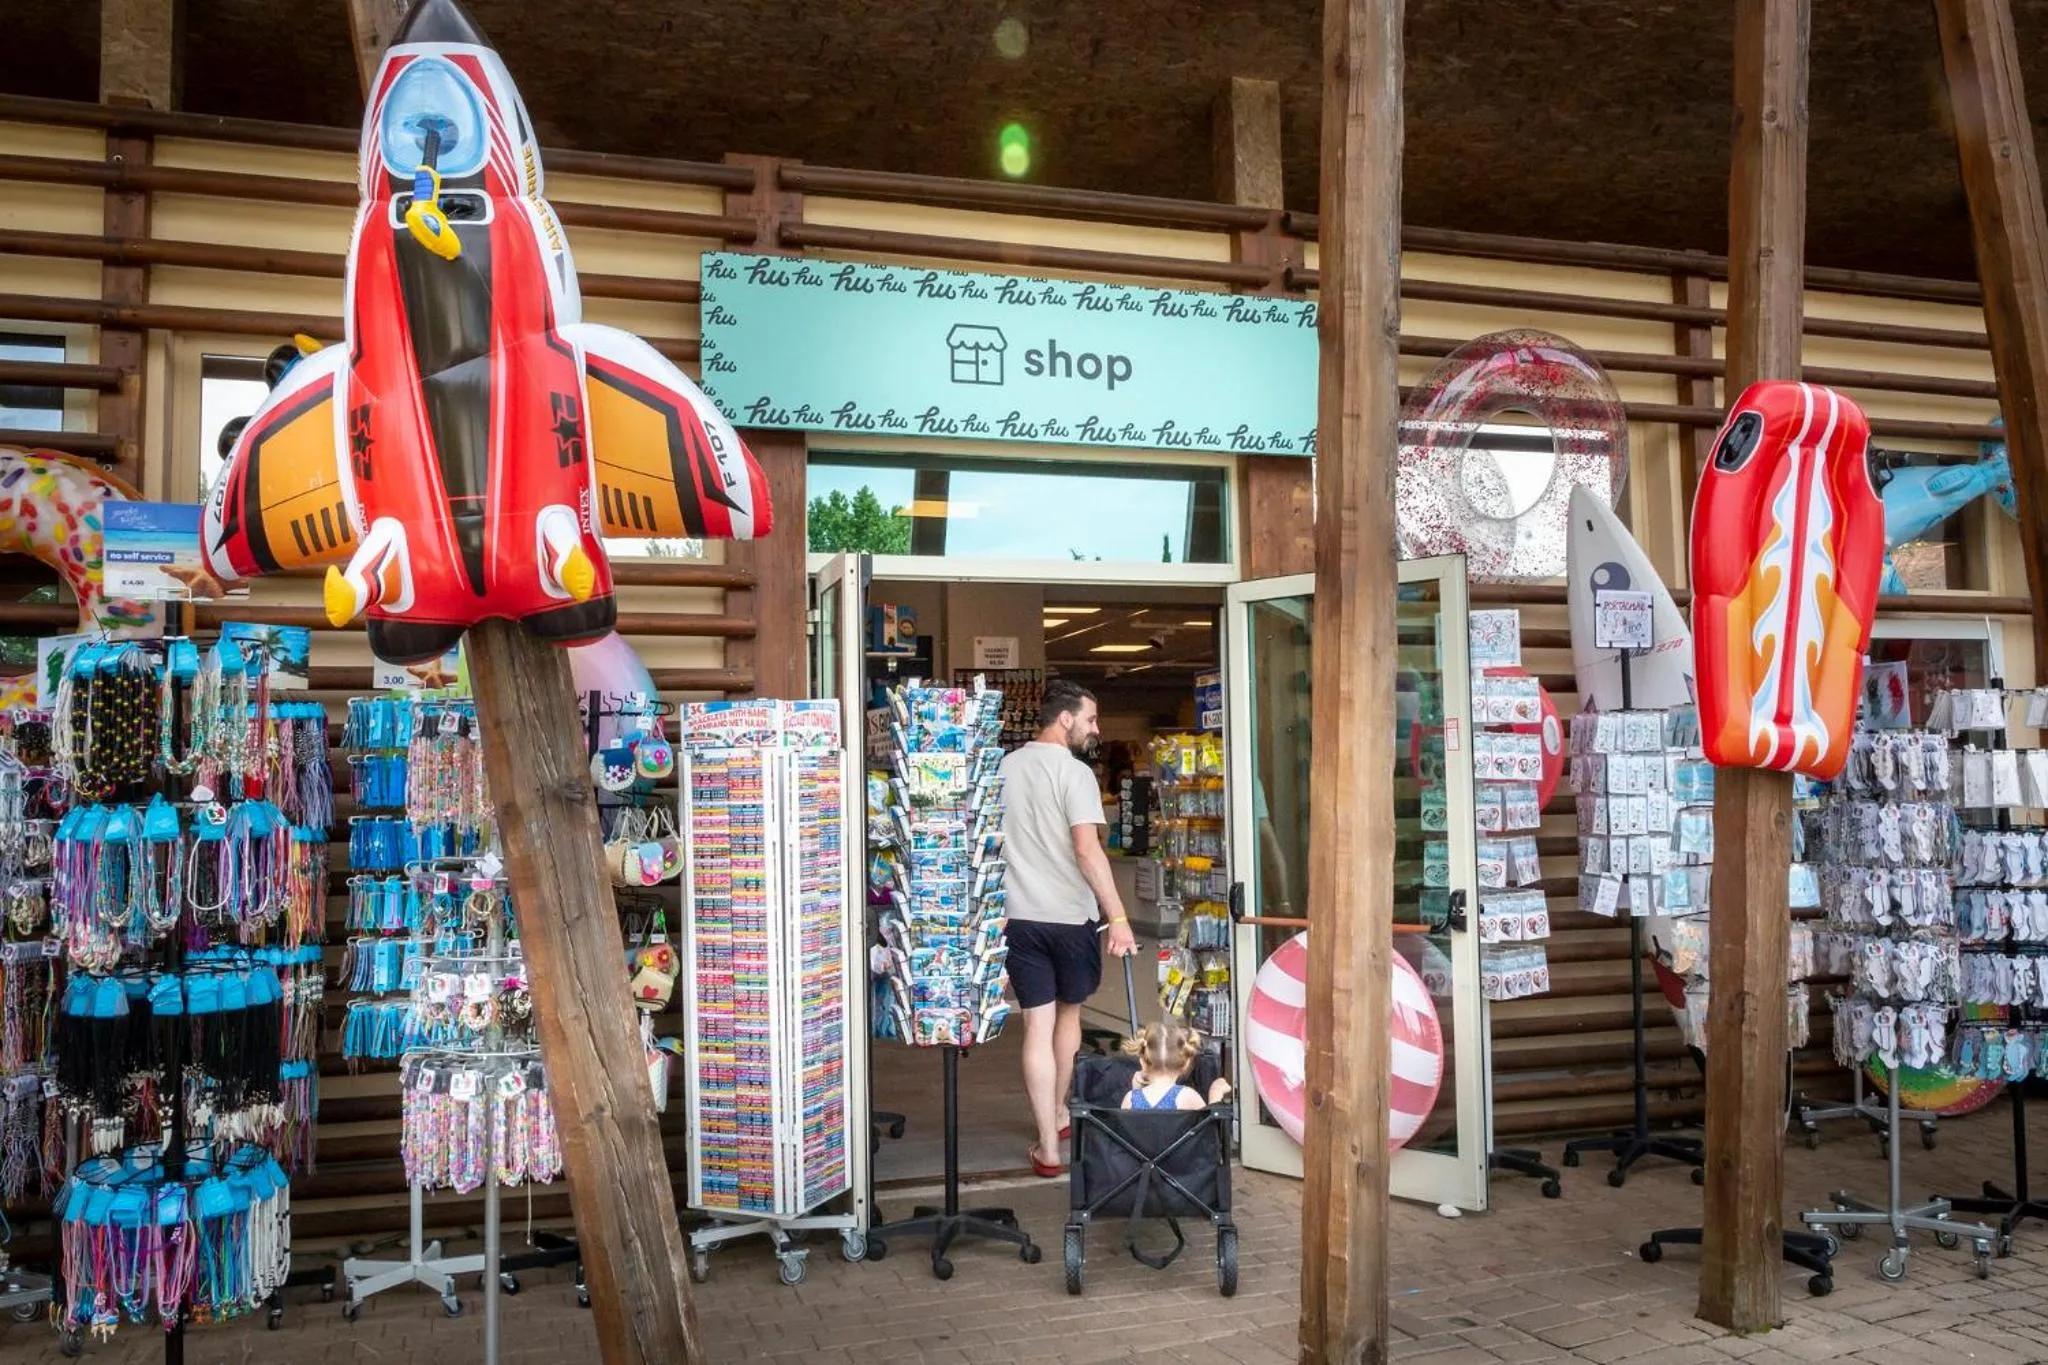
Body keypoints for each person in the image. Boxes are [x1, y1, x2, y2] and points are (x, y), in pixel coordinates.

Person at [1000, 680, 1137, 1177]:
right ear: (1065, 719)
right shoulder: (1074, 773)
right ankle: (1058, 1115)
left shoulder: (1003, 767)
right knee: (1068, 1017)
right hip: (1070, 917)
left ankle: (1048, 1144)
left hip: (1020, 917)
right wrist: (1118, 916)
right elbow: (1087, 850)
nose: (1095, 729)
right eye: (1091, 719)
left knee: (1036, 1024)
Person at [1119, 1022, 1209, 1111]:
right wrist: (1216, 1096)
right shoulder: (1188, 1097)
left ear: (1143, 1062)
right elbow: (1210, 1122)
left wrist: (1137, 1090)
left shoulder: (1130, 1099)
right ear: (1186, 1064)